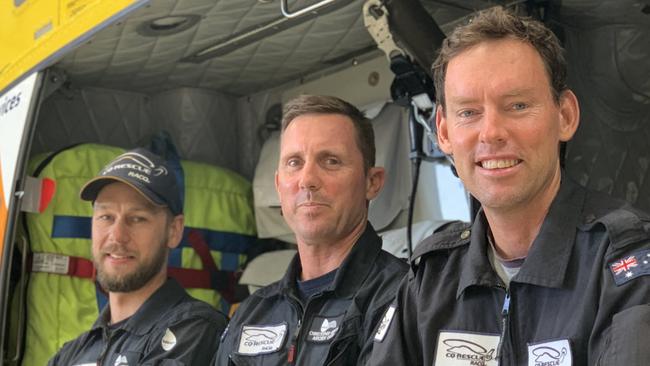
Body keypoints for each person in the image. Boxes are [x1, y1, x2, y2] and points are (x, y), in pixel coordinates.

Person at [369, 6, 650, 366]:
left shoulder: (627, 264)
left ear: (565, 116)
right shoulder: (430, 281)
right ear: (443, 131)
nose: (491, 133)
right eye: (469, 112)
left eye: (517, 105)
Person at [213, 95, 408, 365]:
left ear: (372, 182)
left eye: (330, 161)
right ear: (279, 186)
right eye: (294, 162)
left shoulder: (407, 297)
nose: (307, 180)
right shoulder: (253, 312)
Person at [48, 148, 227, 365]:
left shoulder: (195, 330)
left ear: (174, 231)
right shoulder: (73, 352)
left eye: (137, 219)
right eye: (106, 216)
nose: (117, 236)